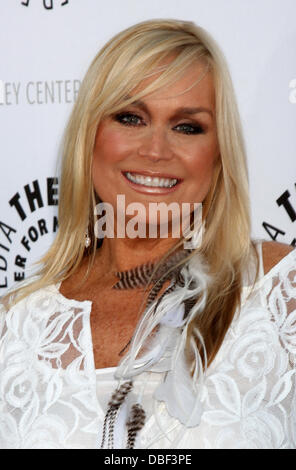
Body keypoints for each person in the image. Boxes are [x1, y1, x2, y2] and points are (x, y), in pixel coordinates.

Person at [0, 18, 295, 450]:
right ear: (89, 137)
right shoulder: (14, 326)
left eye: (187, 127)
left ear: (218, 155)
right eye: (130, 118)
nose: (156, 150)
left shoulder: (281, 294)